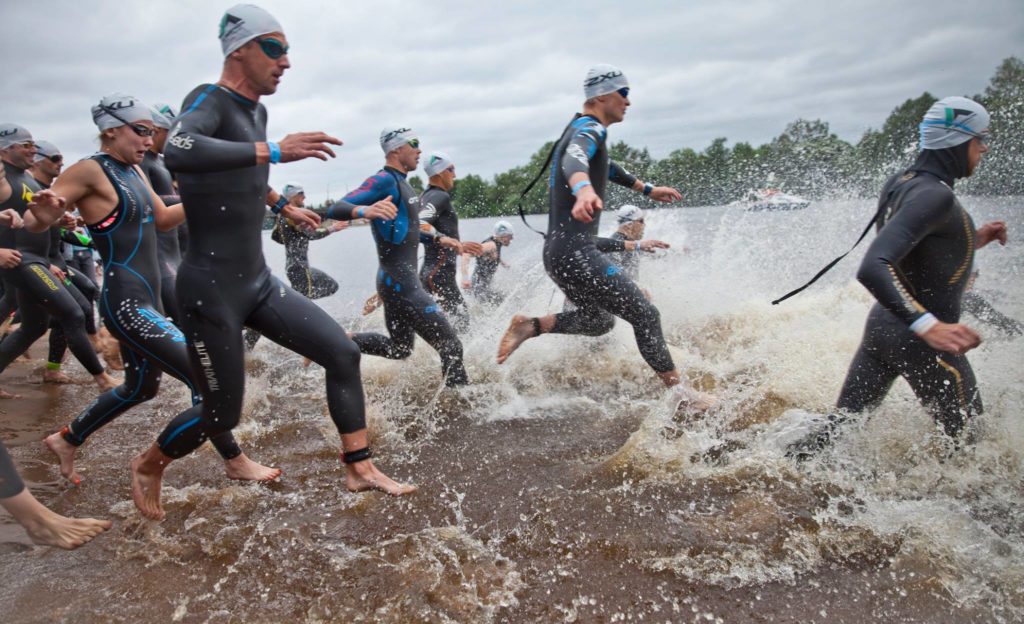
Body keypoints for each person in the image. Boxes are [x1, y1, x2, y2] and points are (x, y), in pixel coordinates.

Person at [121, 5, 413, 520]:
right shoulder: (209, 99)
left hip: (256, 278)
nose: (286, 62)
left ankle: (359, 466)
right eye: (275, 48)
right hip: (209, 286)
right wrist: (274, 150)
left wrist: (282, 206)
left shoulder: (257, 112)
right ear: (241, 50)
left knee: (342, 353)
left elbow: (241, 170)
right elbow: (183, 150)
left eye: (287, 50)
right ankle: (150, 462)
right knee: (221, 411)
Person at [27, 94, 278, 486]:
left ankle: (68, 438)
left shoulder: (135, 171)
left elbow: (162, 220)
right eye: (140, 131)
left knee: (139, 387)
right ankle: (234, 460)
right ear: (111, 130)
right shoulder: (89, 170)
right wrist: (43, 216)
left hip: (149, 300)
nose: (149, 140)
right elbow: (36, 220)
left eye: (152, 133)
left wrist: (211, 198)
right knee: (205, 379)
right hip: (125, 303)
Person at [789, 96, 1006, 458]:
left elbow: (911, 253)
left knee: (835, 435)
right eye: (979, 138)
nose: (983, 148)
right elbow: (875, 265)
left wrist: (971, 239)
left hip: (882, 330)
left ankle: (765, 468)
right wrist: (929, 327)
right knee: (975, 456)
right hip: (922, 342)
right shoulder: (935, 196)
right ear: (957, 140)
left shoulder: (903, 182)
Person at [496, 65, 711, 404]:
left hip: (560, 253)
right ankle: (682, 396)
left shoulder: (578, 127)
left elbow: (604, 166)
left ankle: (531, 326)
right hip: (577, 251)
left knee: (598, 321)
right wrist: (582, 190)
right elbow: (574, 159)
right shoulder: (589, 128)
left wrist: (646, 188)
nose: (629, 101)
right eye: (623, 93)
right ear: (601, 96)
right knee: (646, 314)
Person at [0, 175, 110, 548]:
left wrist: (44, 220)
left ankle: (36, 518)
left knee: (38, 324)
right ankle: (37, 520)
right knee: (68, 315)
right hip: (26, 266)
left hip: (37, 261)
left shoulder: (24, 187)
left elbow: (30, 226)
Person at [326, 127, 469, 387]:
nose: (419, 150)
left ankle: (339, 340)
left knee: (399, 349)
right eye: (413, 144)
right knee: (451, 345)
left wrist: (438, 238)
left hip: (395, 281)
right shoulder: (384, 180)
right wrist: (364, 210)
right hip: (401, 283)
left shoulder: (406, 185)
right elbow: (336, 208)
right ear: (395, 149)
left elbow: (409, 229)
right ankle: (459, 408)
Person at [0, 124, 117, 397]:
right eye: (26, 145)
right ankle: (101, 378)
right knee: (73, 312)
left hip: (37, 259)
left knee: (34, 326)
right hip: (23, 261)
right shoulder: (4, 180)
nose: (33, 149)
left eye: (33, 145)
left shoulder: (28, 182)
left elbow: (29, 220)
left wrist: (58, 222)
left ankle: (55, 369)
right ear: (6, 149)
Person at [28, 140, 104, 384]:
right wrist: (43, 261)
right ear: (38, 160)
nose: (61, 163)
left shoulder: (46, 190)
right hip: (34, 263)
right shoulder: (27, 189)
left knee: (75, 306)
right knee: (67, 314)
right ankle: (100, 375)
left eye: (62, 158)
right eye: (55, 158)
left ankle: (53, 369)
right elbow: (22, 228)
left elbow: (49, 230)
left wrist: (64, 225)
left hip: (53, 262)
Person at [418, 152, 482, 332]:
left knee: (443, 327)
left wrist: (457, 243)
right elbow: (419, 223)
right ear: (438, 173)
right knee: (461, 324)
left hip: (433, 274)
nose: (454, 174)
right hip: (438, 275)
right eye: (451, 169)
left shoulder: (426, 195)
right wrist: (448, 240)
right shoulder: (440, 196)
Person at [139, 102, 185, 322]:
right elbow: (148, 200)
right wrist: (193, 198)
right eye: (171, 133)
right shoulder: (141, 162)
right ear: (157, 130)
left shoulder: (164, 163)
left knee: (185, 319)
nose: (174, 140)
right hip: (158, 253)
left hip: (175, 250)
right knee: (182, 318)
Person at [275, 182, 346, 298]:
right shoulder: (292, 216)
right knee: (305, 300)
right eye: (301, 194)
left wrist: (290, 237)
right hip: (299, 268)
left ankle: (291, 303)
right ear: (293, 196)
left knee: (331, 286)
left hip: (295, 267)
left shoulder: (282, 217)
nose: (304, 197)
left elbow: (275, 236)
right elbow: (312, 234)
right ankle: (289, 304)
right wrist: (332, 228)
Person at [462, 220, 513, 306]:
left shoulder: (496, 243)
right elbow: (466, 254)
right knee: (507, 302)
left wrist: (503, 263)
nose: (512, 239)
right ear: (503, 236)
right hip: (478, 288)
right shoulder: (491, 245)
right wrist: (465, 279)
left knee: (505, 299)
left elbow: (492, 256)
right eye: (510, 236)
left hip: (482, 286)